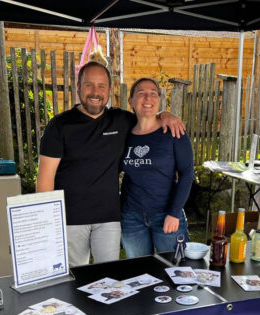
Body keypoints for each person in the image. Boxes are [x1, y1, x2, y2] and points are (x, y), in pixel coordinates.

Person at [37, 61, 185, 267]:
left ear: (109, 90)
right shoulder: (59, 126)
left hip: (108, 219)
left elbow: (147, 115)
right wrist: (48, 222)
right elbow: (45, 179)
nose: (95, 92)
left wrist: (165, 115)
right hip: (69, 220)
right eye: (89, 85)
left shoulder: (121, 120)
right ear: (78, 87)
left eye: (102, 86)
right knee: (73, 279)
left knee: (108, 278)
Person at [120, 78, 194, 258]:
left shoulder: (173, 132)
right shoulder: (124, 134)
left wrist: (174, 213)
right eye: (141, 93)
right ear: (131, 101)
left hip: (166, 215)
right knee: (140, 275)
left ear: (159, 100)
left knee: (176, 272)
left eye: (153, 93)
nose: (148, 98)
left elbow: (187, 173)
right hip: (132, 218)